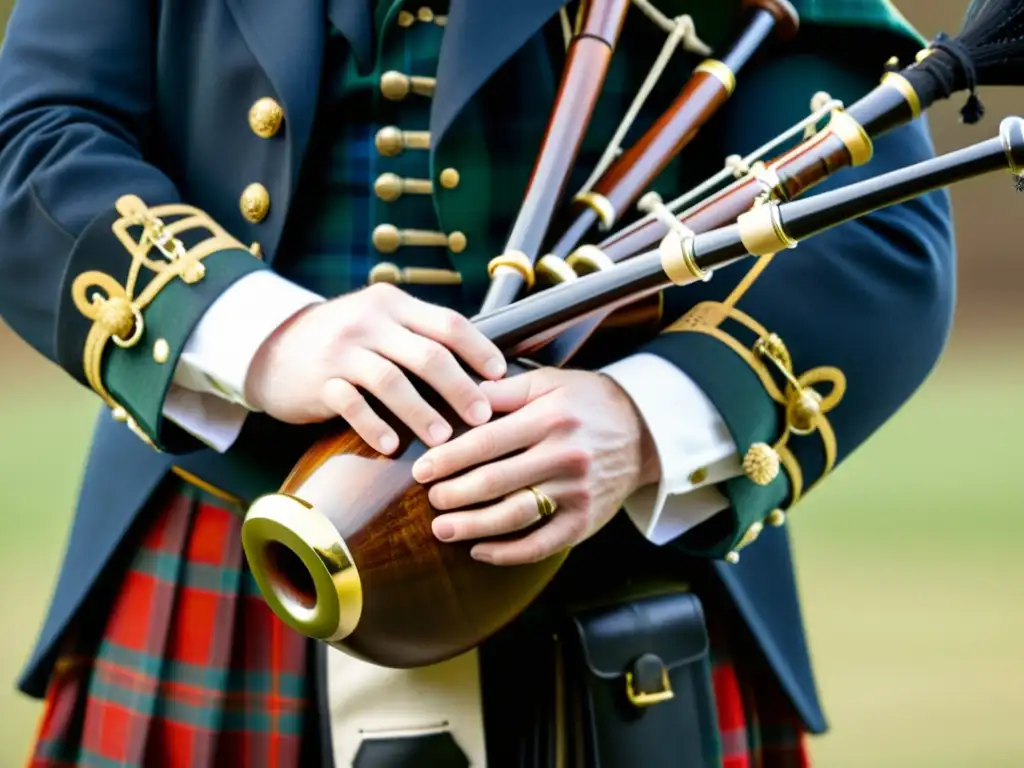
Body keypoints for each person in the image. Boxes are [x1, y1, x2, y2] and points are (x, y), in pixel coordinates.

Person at [0, 0, 954, 765]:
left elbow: (875, 218)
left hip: (595, 566)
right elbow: (33, 135)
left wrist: (645, 418)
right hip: (220, 550)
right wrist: (263, 331)